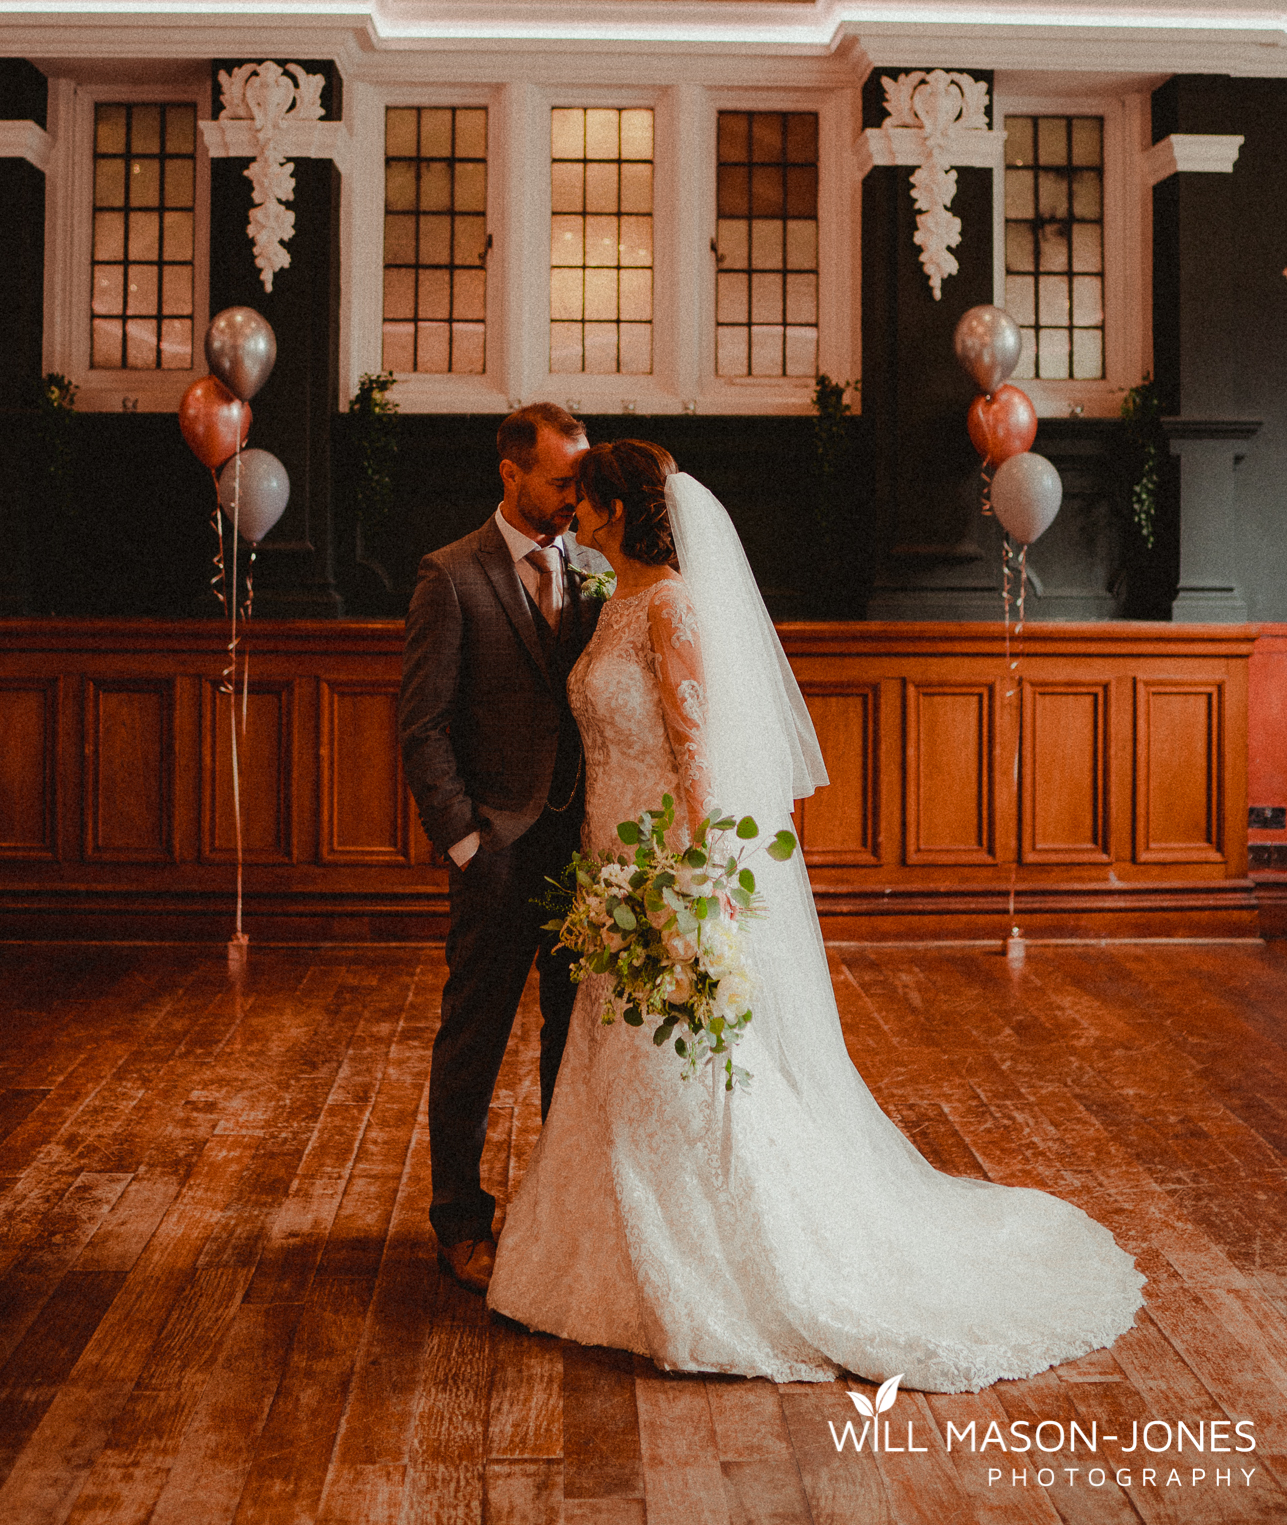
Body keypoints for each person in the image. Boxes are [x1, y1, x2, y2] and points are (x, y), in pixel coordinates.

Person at [488, 440, 1144, 1389]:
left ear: (619, 511)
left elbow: (699, 751)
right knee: (614, 1059)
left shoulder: (670, 603)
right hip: (609, 867)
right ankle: (606, 1252)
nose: (574, 516)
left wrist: (693, 883)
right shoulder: (614, 601)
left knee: (686, 1073)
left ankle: (716, 1262)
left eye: (585, 502)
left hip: (664, 876)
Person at [399, 403, 603, 1295]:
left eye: (581, 483)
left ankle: (558, 1213)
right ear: (510, 475)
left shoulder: (596, 569)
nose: (574, 499)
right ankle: (457, 1222)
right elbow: (423, 726)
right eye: (562, 482)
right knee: (474, 1036)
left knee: (572, 1038)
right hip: (497, 852)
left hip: (585, 855)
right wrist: (465, 842)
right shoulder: (450, 576)